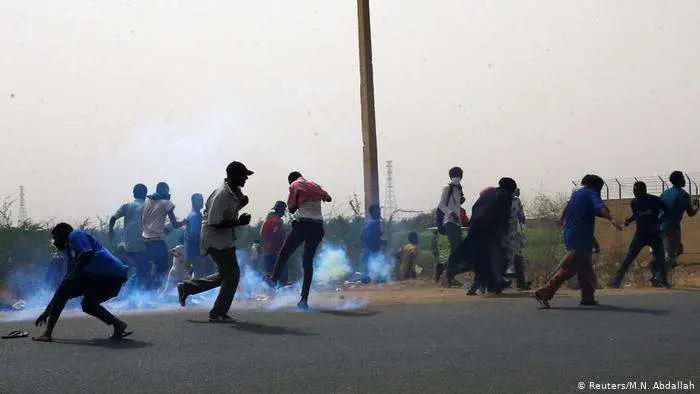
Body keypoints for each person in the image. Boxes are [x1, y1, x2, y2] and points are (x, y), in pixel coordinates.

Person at [177, 162, 253, 322]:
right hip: (215, 239)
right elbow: (215, 221)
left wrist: (241, 203)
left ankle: (187, 287)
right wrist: (239, 222)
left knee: (225, 275)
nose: (246, 178)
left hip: (224, 238)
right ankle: (218, 313)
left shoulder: (234, 191)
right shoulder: (222, 195)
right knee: (232, 275)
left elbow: (234, 206)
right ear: (233, 176)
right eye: (243, 175)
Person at [534, 175, 622, 308]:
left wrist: (561, 221)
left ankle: (587, 297)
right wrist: (611, 218)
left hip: (574, 234)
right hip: (580, 236)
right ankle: (544, 291)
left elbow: (567, 211)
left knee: (585, 267)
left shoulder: (576, 195)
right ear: (595, 186)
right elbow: (599, 206)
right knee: (571, 267)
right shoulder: (591, 193)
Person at [33, 223, 131, 342]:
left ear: (63, 233)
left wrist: (72, 277)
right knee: (87, 305)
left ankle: (47, 333)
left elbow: (87, 254)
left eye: (55, 237)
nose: (54, 242)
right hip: (114, 277)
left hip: (108, 275)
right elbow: (65, 283)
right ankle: (118, 325)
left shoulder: (75, 234)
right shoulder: (71, 252)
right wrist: (47, 311)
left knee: (65, 289)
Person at [268, 171, 332, 310]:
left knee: (285, 252)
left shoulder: (295, 185)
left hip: (304, 225)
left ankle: (273, 279)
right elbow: (328, 198)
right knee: (307, 263)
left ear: (290, 180)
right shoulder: (315, 185)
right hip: (318, 227)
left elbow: (291, 208)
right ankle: (304, 300)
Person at [450, 178, 517, 294]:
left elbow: (474, 207)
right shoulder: (505, 196)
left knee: (478, 256)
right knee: (494, 255)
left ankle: (493, 283)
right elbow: (503, 217)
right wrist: (503, 233)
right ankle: (496, 282)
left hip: (476, 226)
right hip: (489, 229)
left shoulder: (489, 193)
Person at [609, 181, 669, 289]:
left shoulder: (655, 200)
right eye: (634, 191)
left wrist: (660, 221)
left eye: (638, 191)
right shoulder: (634, 203)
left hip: (654, 233)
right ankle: (616, 282)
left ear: (644, 191)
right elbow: (638, 215)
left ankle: (664, 281)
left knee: (660, 258)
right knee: (629, 258)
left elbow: (667, 210)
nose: (636, 193)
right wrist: (630, 220)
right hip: (640, 234)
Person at [141, 182, 187, 290]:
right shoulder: (166, 203)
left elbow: (150, 223)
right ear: (165, 191)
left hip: (145, 241)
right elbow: (175, 224)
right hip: (157, 242)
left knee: (150, 269)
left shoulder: (147, 202)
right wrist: (185, 222)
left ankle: (146, 294)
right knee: (162, 269)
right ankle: (157, 293)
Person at [109, 183, 148, 289]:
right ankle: (133, 294)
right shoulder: (148, 206)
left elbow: (113, 218)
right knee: (143, 271)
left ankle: (129, 292)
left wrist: (110, 232)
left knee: (137, 270)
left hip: (128, 246)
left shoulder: (127, 205)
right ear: (145, 194)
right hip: (142, 246)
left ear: (134, 194)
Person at [659, 171, 699, 277]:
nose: (684, 180)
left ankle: (660, 269)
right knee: (671, 255)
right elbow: (691, 213)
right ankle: (659, 276)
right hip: (672, 227)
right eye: (683, 178)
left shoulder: (665, 192)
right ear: (680, 180)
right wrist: (697, 207)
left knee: (678, 249)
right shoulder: (683, 194)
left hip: (660, 226)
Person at [436, 167, 466, 286]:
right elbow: (441, 205)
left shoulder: (459, 190)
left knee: (459, 250)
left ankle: (444, 268)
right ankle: (449, 276)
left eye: (459, 175)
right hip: (449, 221)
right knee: (455, 249)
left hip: (457, 222)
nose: (458, 177)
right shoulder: (447, 188)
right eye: (456, 175)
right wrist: (450, 213)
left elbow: (455, 205)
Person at [503, 188, 530, 290]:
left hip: (506, 234)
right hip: (509, 234)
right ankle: (520, 283)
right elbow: (522, 218)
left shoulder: (501, 200)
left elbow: (521, 218)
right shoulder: (515, 201)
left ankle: (518, 282)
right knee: (517, 258)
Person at [184, 193, 212, 277]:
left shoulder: (195, 214)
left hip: (194, 251)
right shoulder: (195, 216)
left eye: (202, 200)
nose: (202, 202)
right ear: (193, 202)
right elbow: (195, 235)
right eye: (199, 201)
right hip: (197, 251)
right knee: (200, 276)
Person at [261, 201, 288, 284]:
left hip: (267, 251)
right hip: (276, 251)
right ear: (279, 209)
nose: (284, 212)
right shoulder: (277, 221)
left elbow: (262, 233)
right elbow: (276, 233)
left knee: (269, 274)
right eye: (283, 210)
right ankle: (281, 292)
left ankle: (268, 294)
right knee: (282, 274)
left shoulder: (268, 219)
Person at [361, 204, 387, 282]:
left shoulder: (368, 224)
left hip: (367, 253)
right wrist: (383, 241)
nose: (380, 213)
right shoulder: (373, 224)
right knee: (373, 278)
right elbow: (373, 239)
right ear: (375, 212)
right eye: (379, 211)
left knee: (368, 277)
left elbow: (362, 237)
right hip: (372, 254)